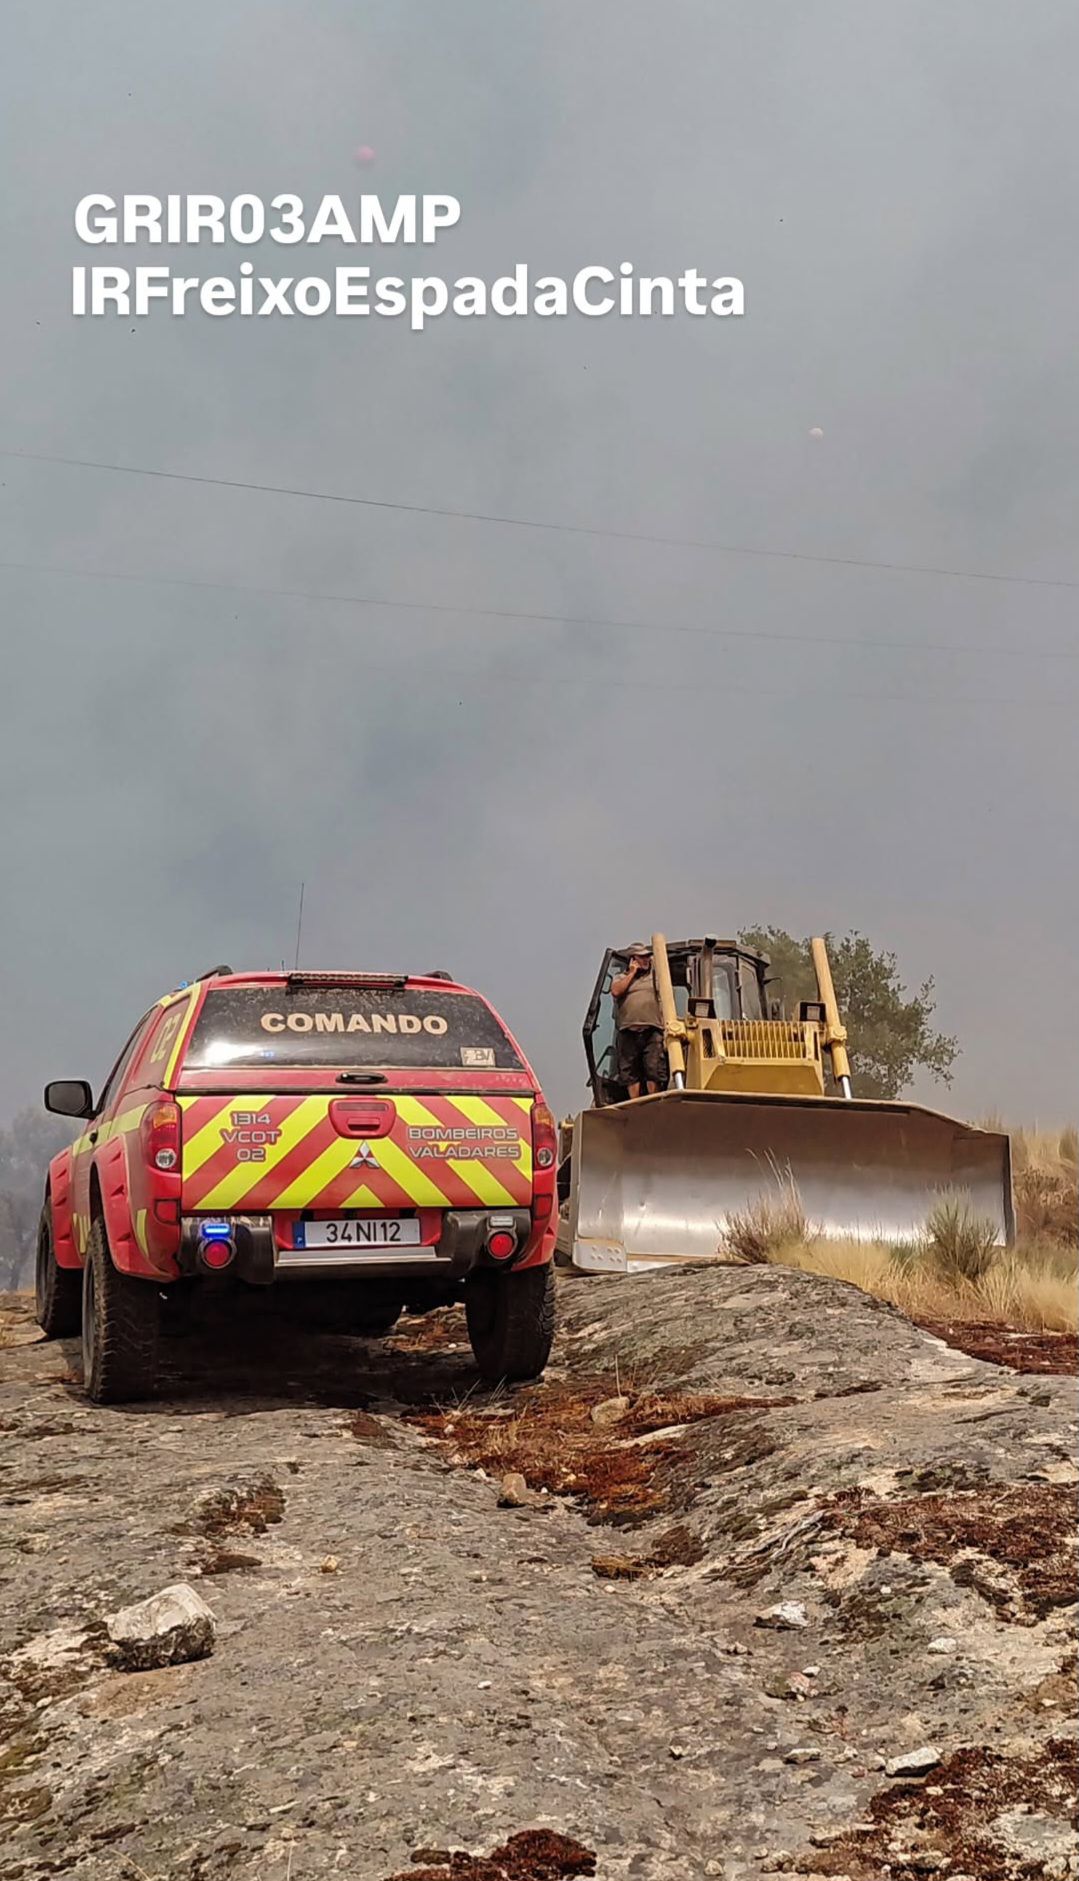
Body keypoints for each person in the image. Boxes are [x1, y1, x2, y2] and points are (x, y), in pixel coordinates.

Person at [611, 944, 667, 1098]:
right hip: (628, 1031)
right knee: (629, 1072)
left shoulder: (655, 977)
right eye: (642, 957)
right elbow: (616, 991)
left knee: (653, 1068)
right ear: (632, 959)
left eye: (647, 956)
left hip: (652, 1030)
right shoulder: (621, 977)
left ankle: (654, 1101)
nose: (646, 959)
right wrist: (632, 972)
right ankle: (635, 1105)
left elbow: (664, 980)